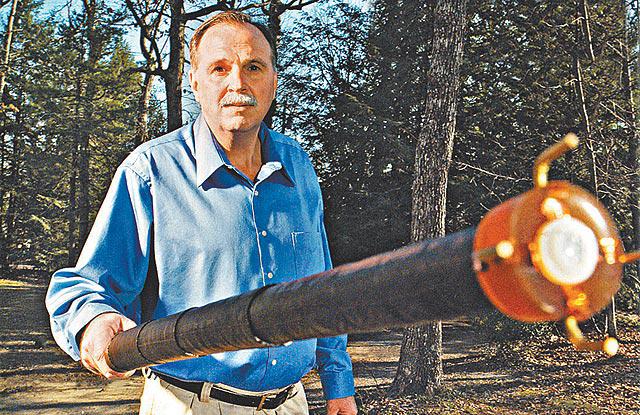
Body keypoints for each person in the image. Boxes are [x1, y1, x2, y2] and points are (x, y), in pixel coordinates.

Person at [45, 10, 357, 415]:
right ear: (194, 82)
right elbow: (85, 286)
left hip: (291, 402)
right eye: (219, 68)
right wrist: (93, 322)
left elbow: (321, 285)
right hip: (191, 403)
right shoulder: (150, 172)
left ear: (273, 81)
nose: (238, 83)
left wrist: (338, 383)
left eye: (253, 67)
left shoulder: (299, 166)